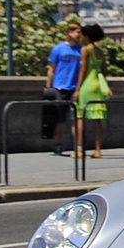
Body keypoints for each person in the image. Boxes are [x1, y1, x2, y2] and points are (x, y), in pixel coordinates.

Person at [43, 20, 84, 155]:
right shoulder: (59, 48)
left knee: (76, 119)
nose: (79, 35)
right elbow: (51, 69)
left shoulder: (81, 50)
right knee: (59, 119)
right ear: (70, 33)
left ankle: (77, 146)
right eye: (77, 32)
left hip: (75, 87)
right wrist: (49, 88)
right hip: (60, 87)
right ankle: (58, 144)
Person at [74, 22, 112, 159]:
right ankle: (98, 150)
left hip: (87, 85)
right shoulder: (100, 52)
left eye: (82, 35)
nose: (80, 37)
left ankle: (80, 149)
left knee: (80, 117)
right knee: (97, 120)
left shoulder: (85, 50)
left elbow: (82, 71)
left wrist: (77, 90)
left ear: (87, 36)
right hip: (97, 85)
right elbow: (104, 71)